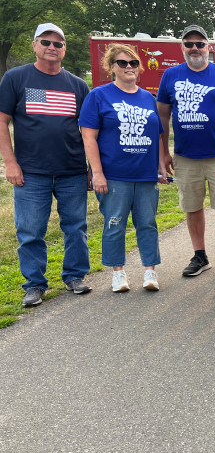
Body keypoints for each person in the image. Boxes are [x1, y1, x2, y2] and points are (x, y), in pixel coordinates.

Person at [0, 22, 92, 307]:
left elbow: (89, 130)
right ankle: (35, 285)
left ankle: (75, 276)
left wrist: (92, 167)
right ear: (35, 45)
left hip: (72, 170)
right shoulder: (16, 78)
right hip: (31, 172)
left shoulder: (78, 85)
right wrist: (10, 163)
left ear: (64, 49)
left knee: (76, 227)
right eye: (46, 42)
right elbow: (2, 122)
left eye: (58, 44)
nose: (52, 48)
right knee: (30, 231)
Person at [79, 44, 169, 292]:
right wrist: (96, 173)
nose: (129, 67)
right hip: (114, 175)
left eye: (132, 63)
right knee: (115, 223)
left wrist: (161, 167)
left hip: (144, 175)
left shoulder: (147, 98)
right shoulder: (98, 96)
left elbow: (157, 137)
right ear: (111, 68)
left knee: (148, 223)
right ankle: (118, 273)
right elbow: (89, 138)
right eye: (122, 63)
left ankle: (150, 272)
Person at [156, 25, 215, 278]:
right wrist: (164, 153)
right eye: (189, 44)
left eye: (200, 44)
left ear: (208, 48)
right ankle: (199, 255)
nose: (194, 48)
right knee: (191, 207)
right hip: (185, 155)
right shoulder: (170, 75)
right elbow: (162, 118)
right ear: (182, 48)